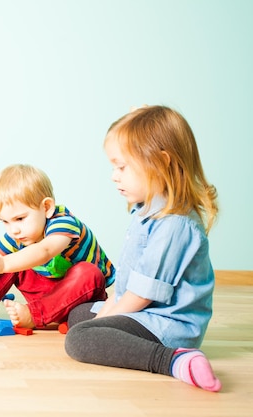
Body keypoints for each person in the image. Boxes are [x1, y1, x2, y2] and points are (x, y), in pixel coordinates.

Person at [64, 105, 221, 392]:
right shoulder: (147, 212)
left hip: (167, 325)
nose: (114, 176)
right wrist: (105, 313)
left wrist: (105, 321)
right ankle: (109, 334)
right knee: (78, 315)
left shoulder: (175, 224)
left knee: (78, 339)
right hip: (142, 311)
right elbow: (129, 287)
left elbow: (141, 295)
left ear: (161, 163)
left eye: (122, 167)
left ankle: (173, 360)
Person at [0, 164, 115, 331]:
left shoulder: (64, 222)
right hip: (46, 295)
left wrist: (3, 263)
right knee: (1, 260)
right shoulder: (18, 236)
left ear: (46, 208)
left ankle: (34, 315)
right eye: (5, 222)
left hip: (79, 295)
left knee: (88, 272)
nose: (13, 230)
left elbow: (44, 251)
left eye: (20, 218)